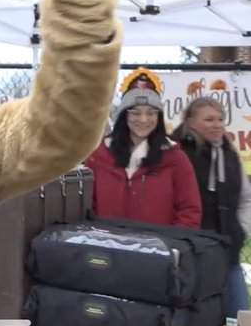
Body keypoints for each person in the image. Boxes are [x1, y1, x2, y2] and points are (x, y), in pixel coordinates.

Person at [171, 96, 251, 320]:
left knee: (240, 317)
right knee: (193, 320)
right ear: (190, 122)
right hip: (190, 255)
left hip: (228, 253)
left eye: (220, 119)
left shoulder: (229, 154)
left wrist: (242, 229)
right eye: (209, 119)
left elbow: (247, 197)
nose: (217, 124)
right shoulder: (175, 154)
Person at [84, 67, 202, 227]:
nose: (143, 119)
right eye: (135, 112)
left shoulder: (175, 158)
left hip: (157, 249)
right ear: (124, 115)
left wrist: (174, 247)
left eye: (151, 113)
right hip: (108, 246)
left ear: (158, 117)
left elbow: (189, 210)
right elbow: (87, 206)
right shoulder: (98, 156)